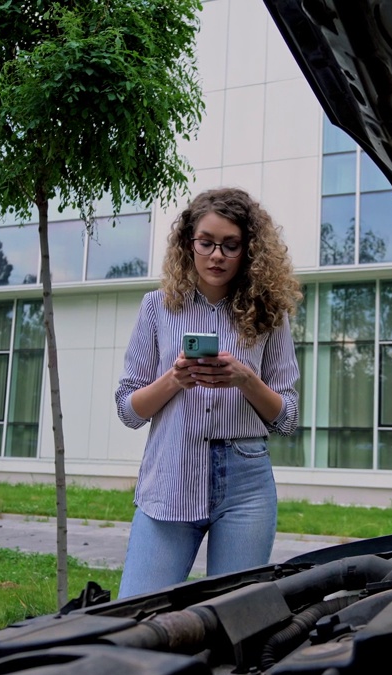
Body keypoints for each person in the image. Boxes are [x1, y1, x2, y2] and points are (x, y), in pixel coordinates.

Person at [114, 187, 302, 598]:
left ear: (248, 250)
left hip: (246, 482)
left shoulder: (270, 314)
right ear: (189, 244)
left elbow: (287, 418)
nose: (217, 255)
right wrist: (173, 380)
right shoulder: (156, 307)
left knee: (236, 620)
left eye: (230, 245)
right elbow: (128, 410)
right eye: (207, 242)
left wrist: (246, 379)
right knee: (135, 610)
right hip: (171, 475)